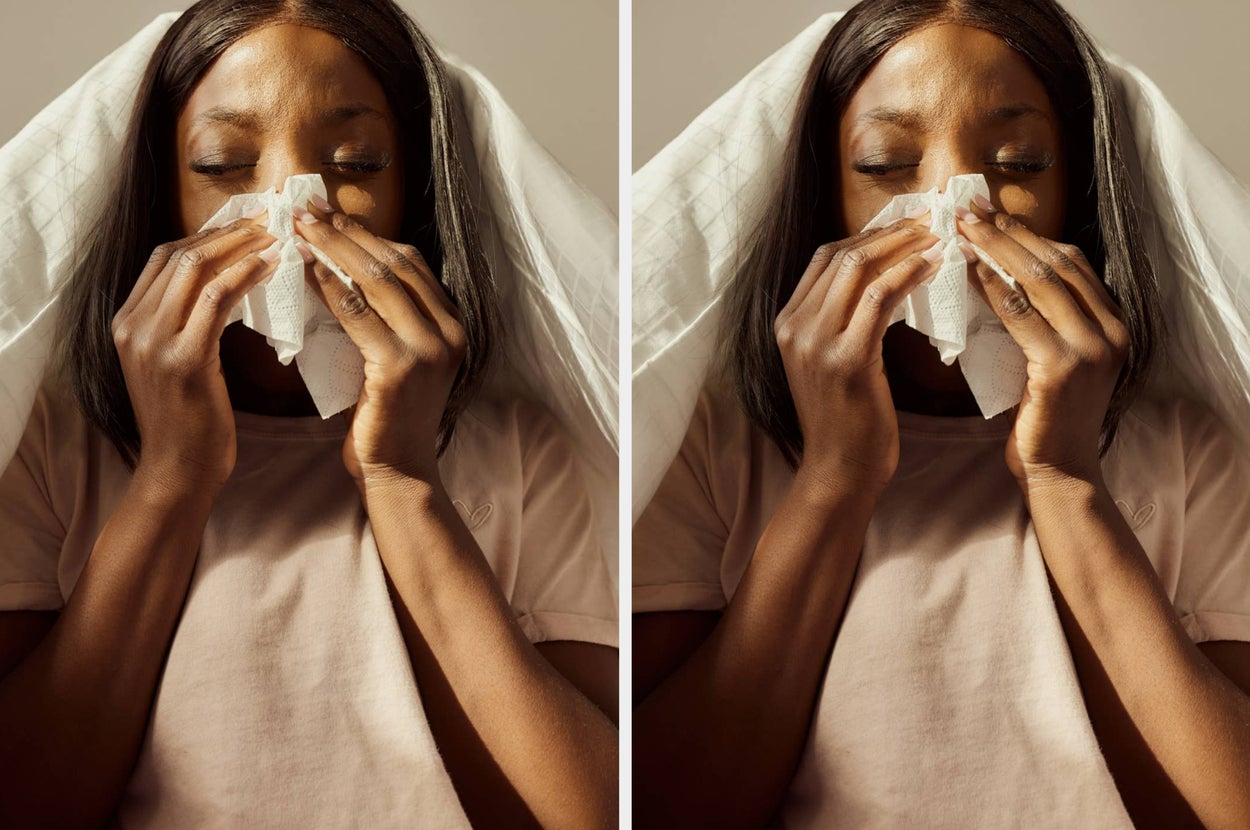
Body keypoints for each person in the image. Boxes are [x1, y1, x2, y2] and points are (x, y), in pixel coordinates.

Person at [632, 1, 1250, 828]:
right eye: (888, 165)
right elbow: (669, 806)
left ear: (1079, 185)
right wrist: (833, 478)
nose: (958, 211)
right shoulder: (710, 450)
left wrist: (1065, 480)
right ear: (827, 197)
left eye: (1019, 160)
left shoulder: (1189, 455)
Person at [0, 1, 617, 827]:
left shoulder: (518, 455)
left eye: (354, 160)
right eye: (223, 164)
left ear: (415, 193)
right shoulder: (48, 454)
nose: (294, 211)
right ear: (160, 194)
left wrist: (403, 483)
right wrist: (171, 478)